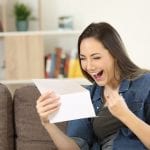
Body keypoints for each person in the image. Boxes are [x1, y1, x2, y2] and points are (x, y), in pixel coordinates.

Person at [36, 22, 150, 150]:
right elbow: (75, 147)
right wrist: (47, 123)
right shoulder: (86, 95)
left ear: (115, 55)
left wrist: (125, 115)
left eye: (96, 57)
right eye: (83, 58)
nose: (89, 66)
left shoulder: (146, 83)